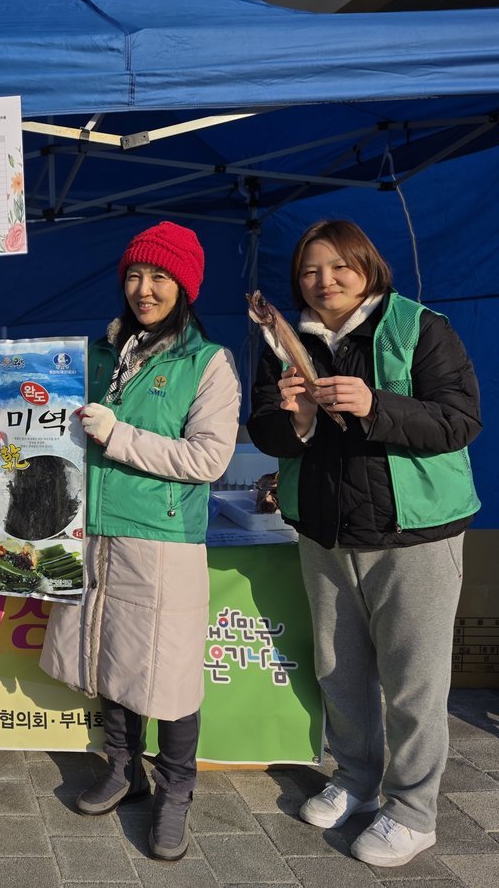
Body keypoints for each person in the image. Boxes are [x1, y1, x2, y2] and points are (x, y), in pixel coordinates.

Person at [247, 220, 481, 867]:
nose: (323, 282)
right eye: (309, 271)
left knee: (413, 682)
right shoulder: (285, 340)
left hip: (414, 537)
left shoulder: (418, 327)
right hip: (324, 533)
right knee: (339, 671)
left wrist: (375, 404)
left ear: (367, 267)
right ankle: (355, 778)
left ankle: (414, 811)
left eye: (338, 267)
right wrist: (295, 420)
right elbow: (264, 427)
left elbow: (460, 420)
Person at [38, 221, 241, 861]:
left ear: (185, 286)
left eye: (159, 277)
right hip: (93, 529)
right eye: (134, 275)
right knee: (111, 656)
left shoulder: (207, 363)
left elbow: (208, 458)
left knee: (168, 670)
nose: (144, 289)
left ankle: (176, 790)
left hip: (162, 538)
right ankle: (124, 770)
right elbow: (61, 431)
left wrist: (117, 434)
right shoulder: (100, 354)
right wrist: (24, 435)